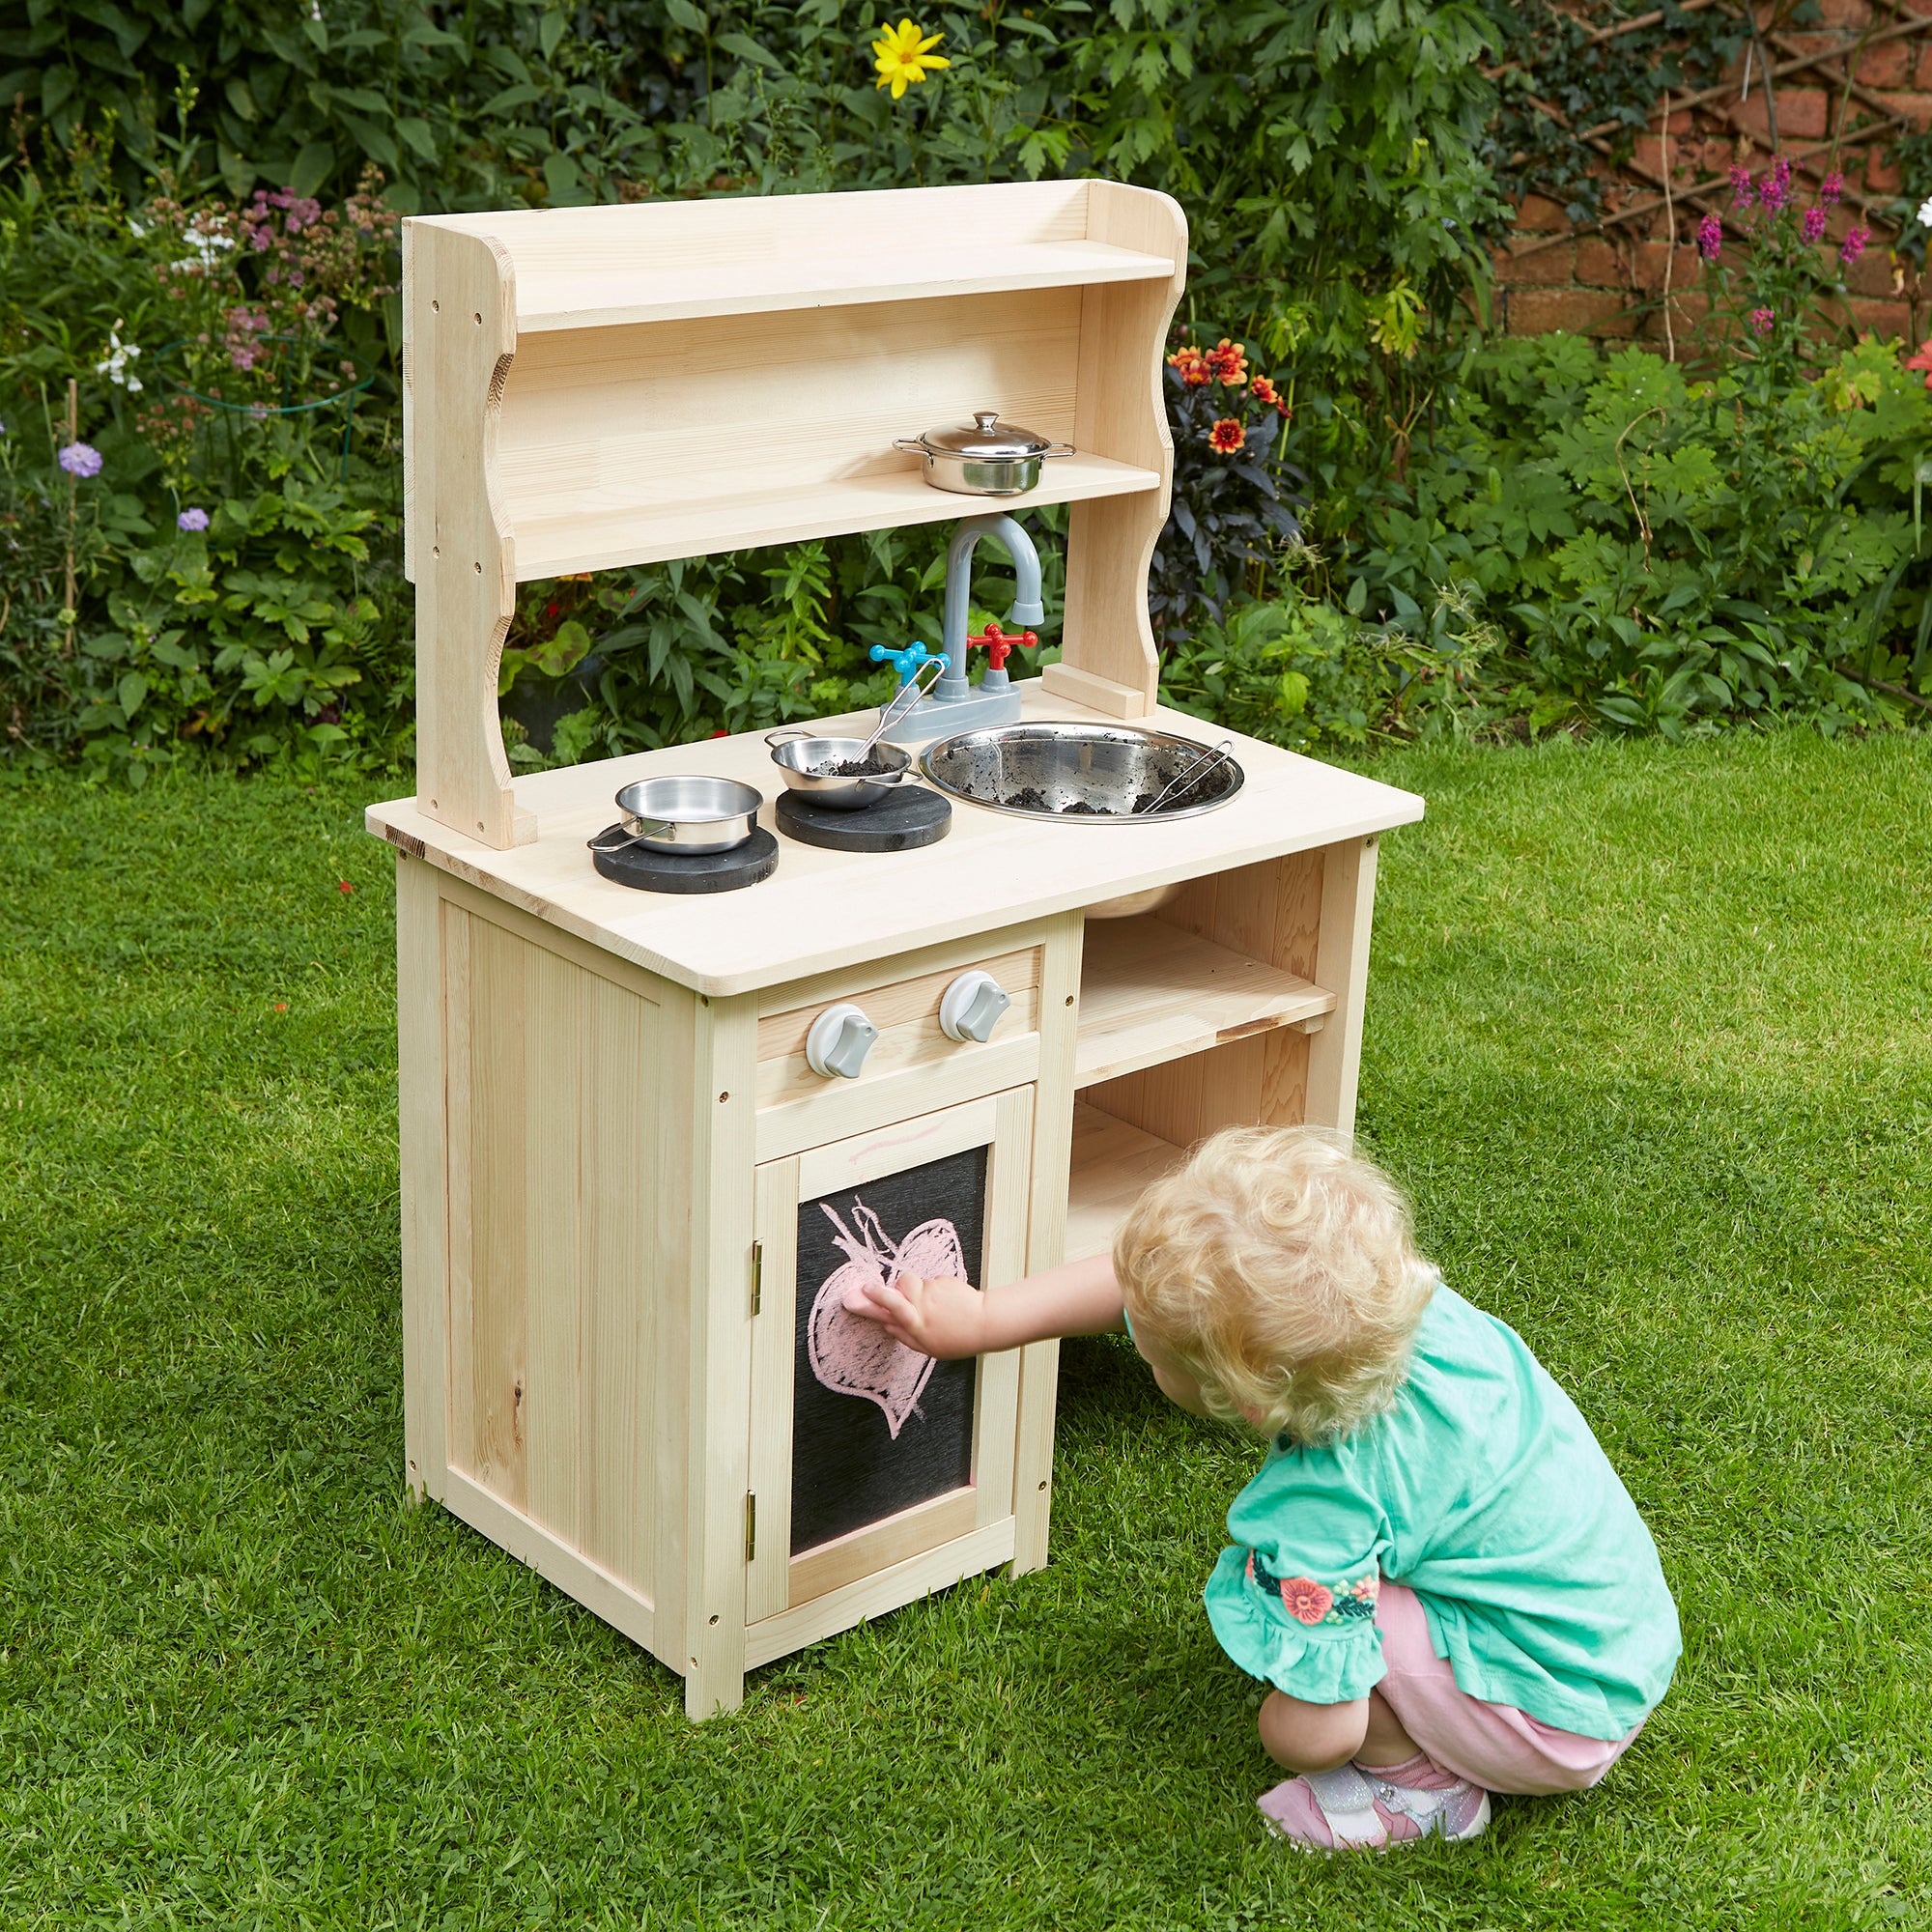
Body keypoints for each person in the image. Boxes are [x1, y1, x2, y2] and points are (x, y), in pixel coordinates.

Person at [840, 1124, 1680, 1851]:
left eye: (1156, 1350)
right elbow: (1158, 1291)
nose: (1138, 1335)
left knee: (1296, 1625)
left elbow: (1320, 1729)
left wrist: (1292, 1721)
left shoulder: (1324, 1505)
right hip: (1617, 1644)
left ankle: (1423, 1787)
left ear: (1240, 1398)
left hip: (1552, 1717)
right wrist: (986, 1319)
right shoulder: (1406, 1308)